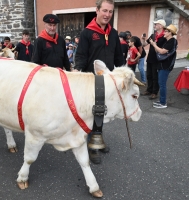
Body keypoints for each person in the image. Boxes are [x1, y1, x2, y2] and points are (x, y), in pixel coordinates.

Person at [74, 0, 124, 164]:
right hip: (91, 80)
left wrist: (124, 73)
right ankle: (92, 145)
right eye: (104, 11)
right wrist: (78, 70)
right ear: (97, 10)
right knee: (92, 113)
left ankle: (98, 139)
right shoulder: (87, 33)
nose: (107, 15)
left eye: (110, 12)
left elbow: (118, 57)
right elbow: (81, 55)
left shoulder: (114, 33)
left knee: (102, 113)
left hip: (107, 82)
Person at [149, 24, 178, 108]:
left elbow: (162, 52)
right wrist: (155, 45)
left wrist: (154, 45)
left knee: (162, 84)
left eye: (166, 31)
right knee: (161, 83)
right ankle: (162, 100)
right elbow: (158, 51)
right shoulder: (167, 41)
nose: (164, 32)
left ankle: (163, 103)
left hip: (165, 65)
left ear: (170, 33)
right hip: (162, 65)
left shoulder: (172, 41)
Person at [141, 19, 167, 100]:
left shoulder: (164, 36)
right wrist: (143, 39)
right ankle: (149, 89)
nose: (154, 25)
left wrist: (154, 44)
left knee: (155, 76)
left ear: (161, 26)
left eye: (156, 24)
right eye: (154, 24)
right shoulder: (153, 35)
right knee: (149, 75)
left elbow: (163, 50)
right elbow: (144, 45)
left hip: (158, 59)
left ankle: (154, 92)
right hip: (150, 58)